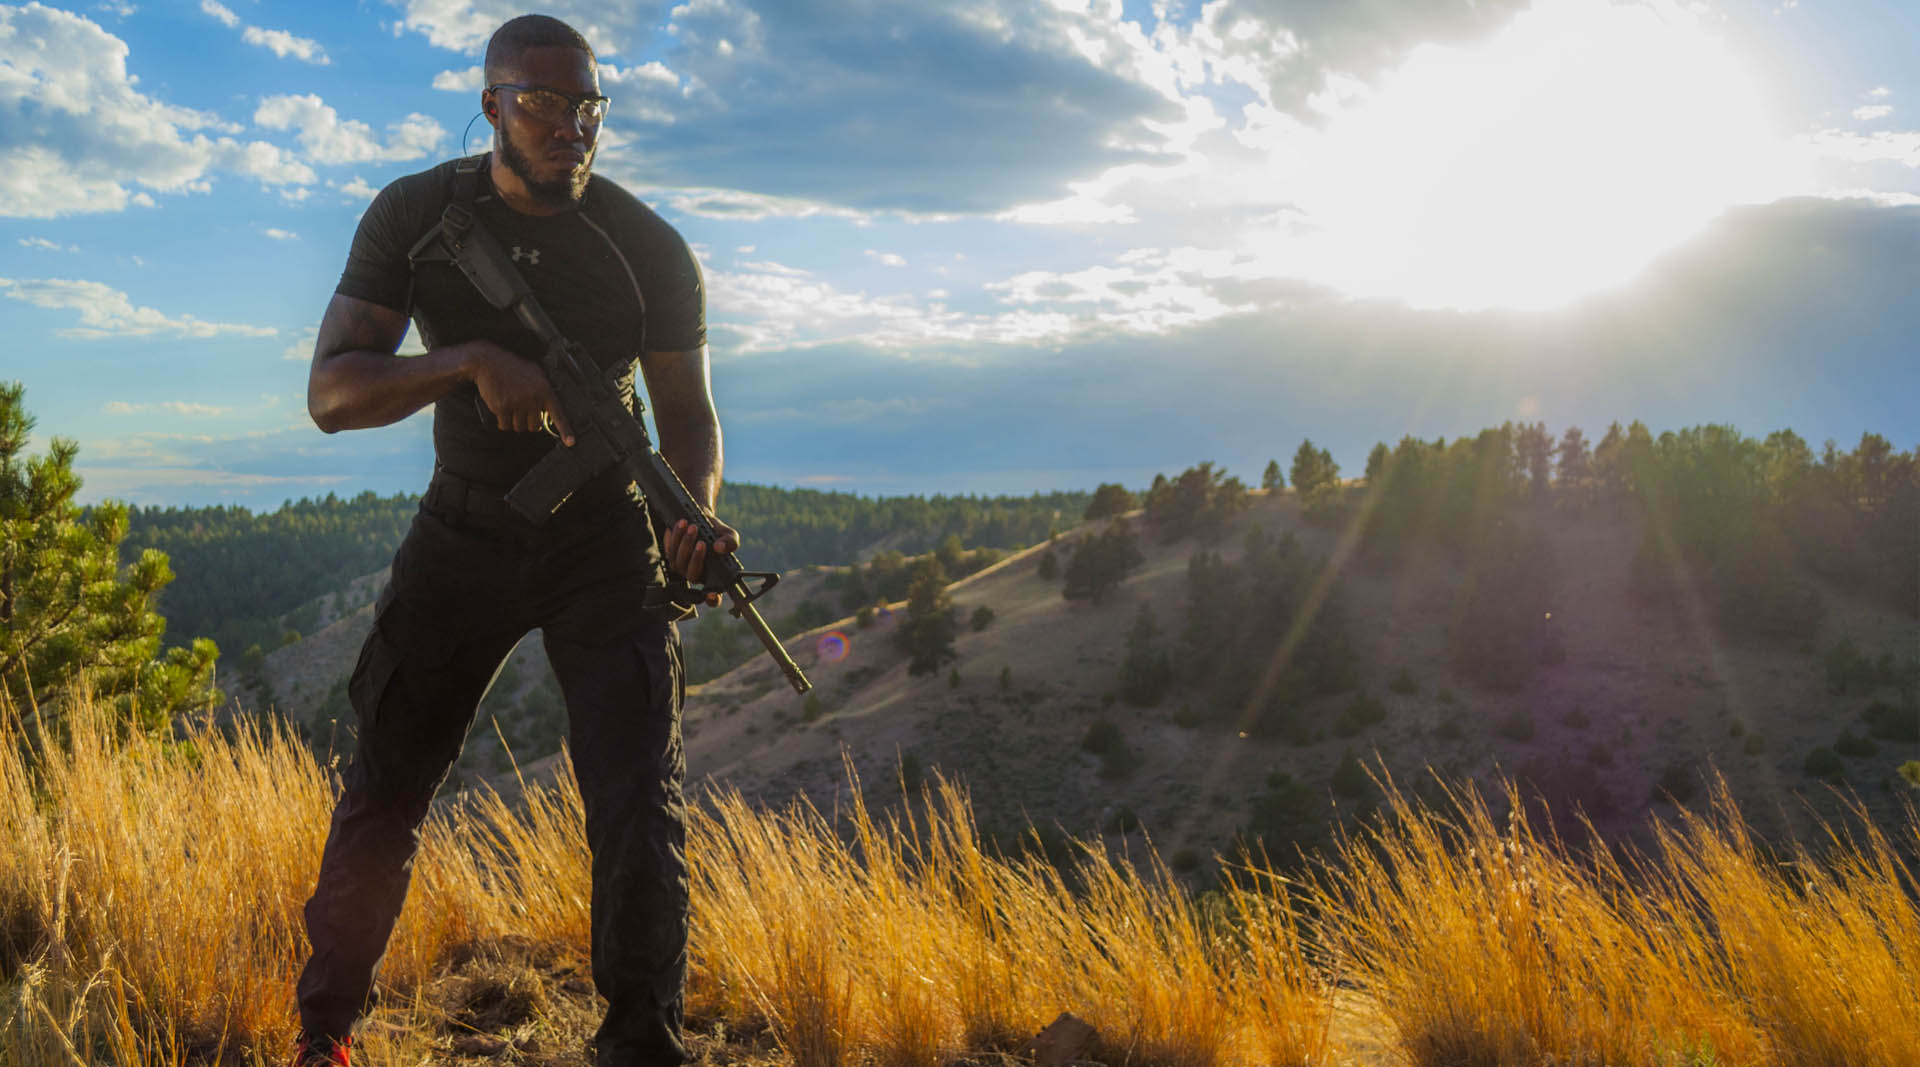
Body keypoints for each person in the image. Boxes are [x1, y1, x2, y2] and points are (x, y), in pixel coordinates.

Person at [292, 14, 729, 1067]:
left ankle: (638, 1045)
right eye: (540, 103)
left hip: (604, 542)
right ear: (491, 105)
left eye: (587, 108)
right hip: (464, 530)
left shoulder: (650, 248)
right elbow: (332, 392)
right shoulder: (416, 214)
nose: (569, 127)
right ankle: (326, 1034)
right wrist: (469, 360)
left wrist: (690, 511)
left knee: (638, 803)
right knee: (389, 778)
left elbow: (690, 420)